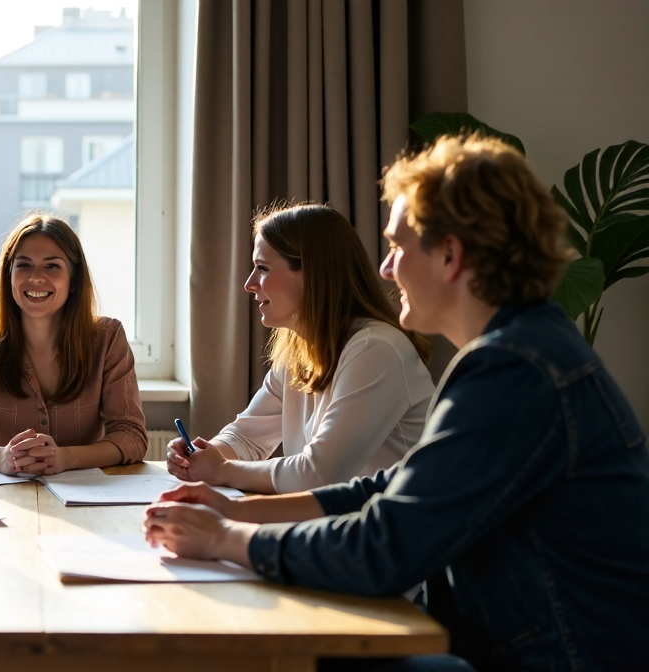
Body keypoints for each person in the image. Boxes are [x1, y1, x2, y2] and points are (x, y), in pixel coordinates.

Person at [143, 136, 649, 671]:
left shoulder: (514, 371)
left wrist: (227, 538)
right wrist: (236, 509)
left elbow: (385, 546)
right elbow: (390, 488)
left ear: (450, 256)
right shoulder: (522, 351)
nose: (385, 268)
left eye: (398, 247)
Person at [167, 204, 434, 494]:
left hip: (389, 532)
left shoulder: (377, 350)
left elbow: (319, 474)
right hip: (340, 526)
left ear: (312, 273)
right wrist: (200, 456)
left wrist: (221, 470)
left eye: (262, 268)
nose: (249, 284)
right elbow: (247, 437)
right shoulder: (298, 350)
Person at [0, 214, 148, 474]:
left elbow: (131, 435)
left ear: (73, 280)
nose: (36, 277)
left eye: (52, 266)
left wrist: (65, 458)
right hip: (6, 492)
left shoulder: (108, 337)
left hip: (86, 493)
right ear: (9, 276)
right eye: (24, 265)